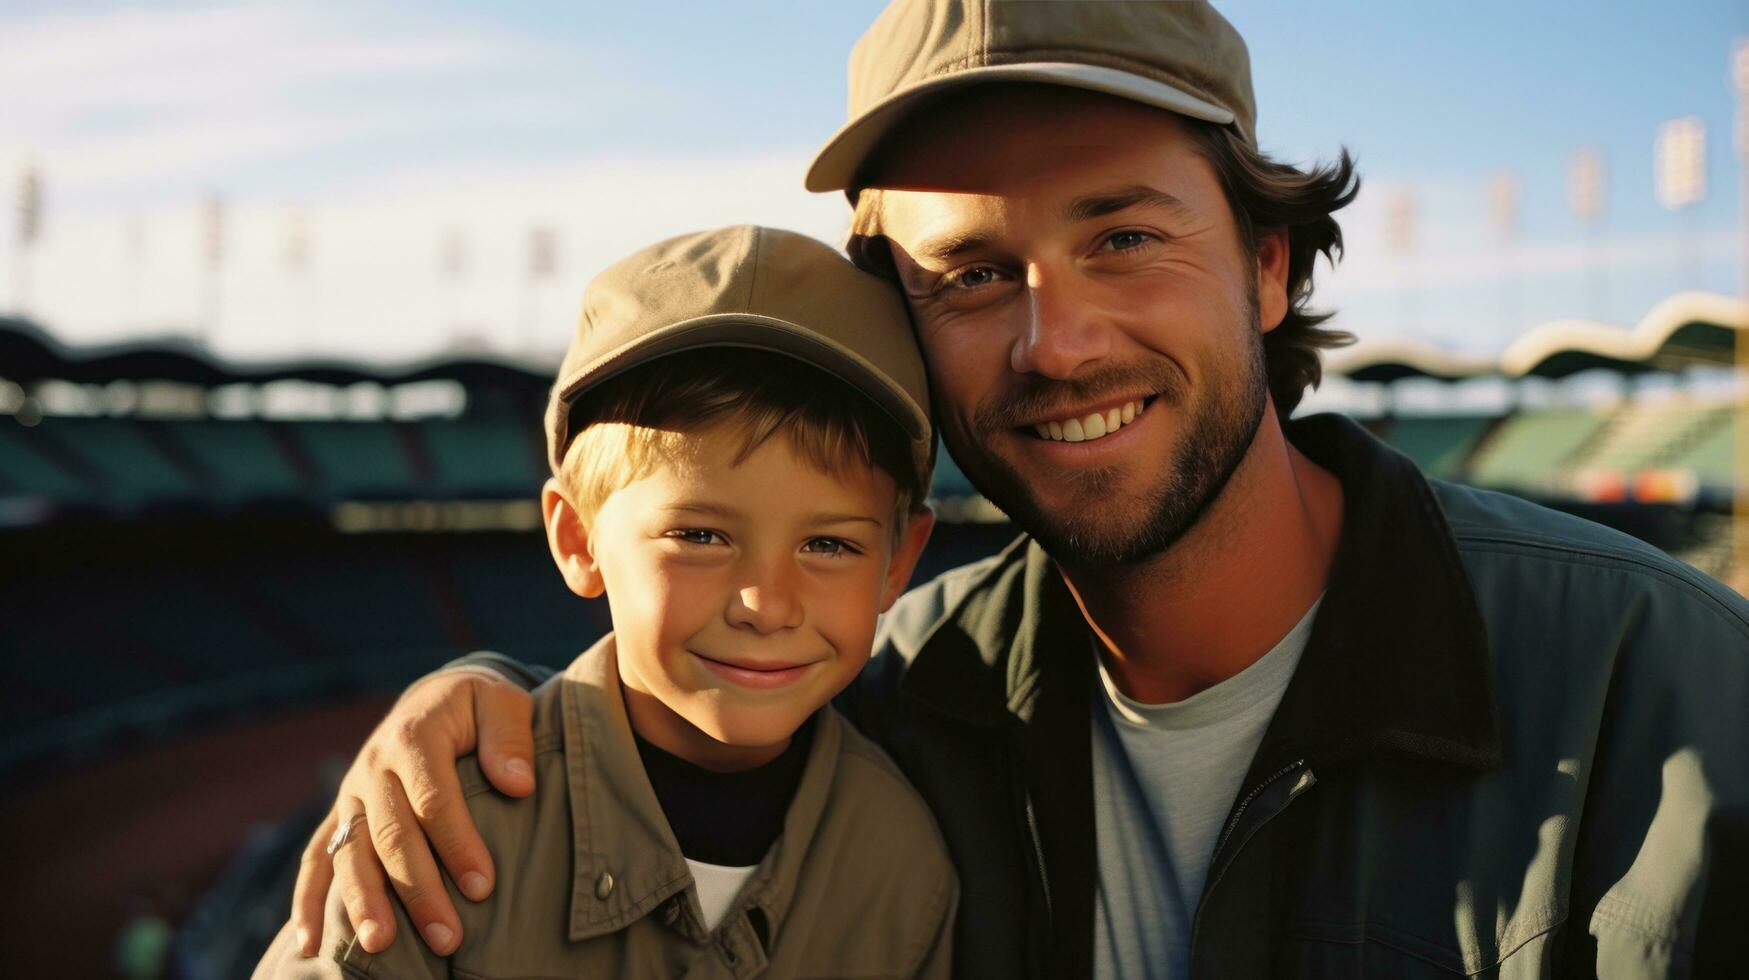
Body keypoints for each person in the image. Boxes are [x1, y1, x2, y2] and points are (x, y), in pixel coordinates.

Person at [291, 3, 1749, 977]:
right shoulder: (898, 701)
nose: (1056, 343)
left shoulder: (1670, 686)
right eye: (973, 276)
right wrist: (489, 704)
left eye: (1121, 239)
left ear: (1266, 264)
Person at [257, 225, 955, 977]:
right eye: (698, 535)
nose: (766, 604)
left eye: (828, 546)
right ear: (578, 538)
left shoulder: (905, 864)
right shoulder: (434, 829)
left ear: (896, 563)